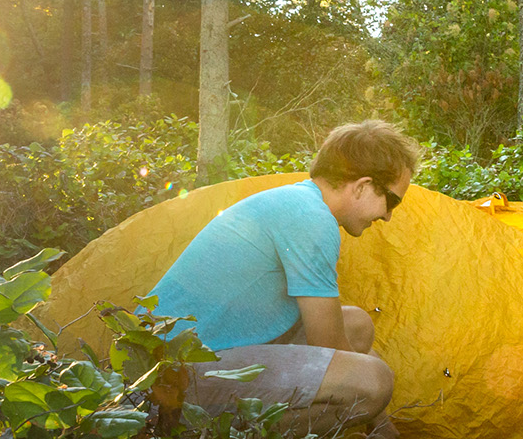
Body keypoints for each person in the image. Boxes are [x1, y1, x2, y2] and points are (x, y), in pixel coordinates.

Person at [145, 120, 421, 438]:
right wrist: (382, 420)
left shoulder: (299, 202)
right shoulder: (312, 220)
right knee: (374, 383)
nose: (388, 216)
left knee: (358, 324)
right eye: (393, 201)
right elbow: (329, 346)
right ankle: (205, 433)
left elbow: (337, 338)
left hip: (180, 358)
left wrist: (384, 425)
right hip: (171, 378)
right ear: (361, 185)